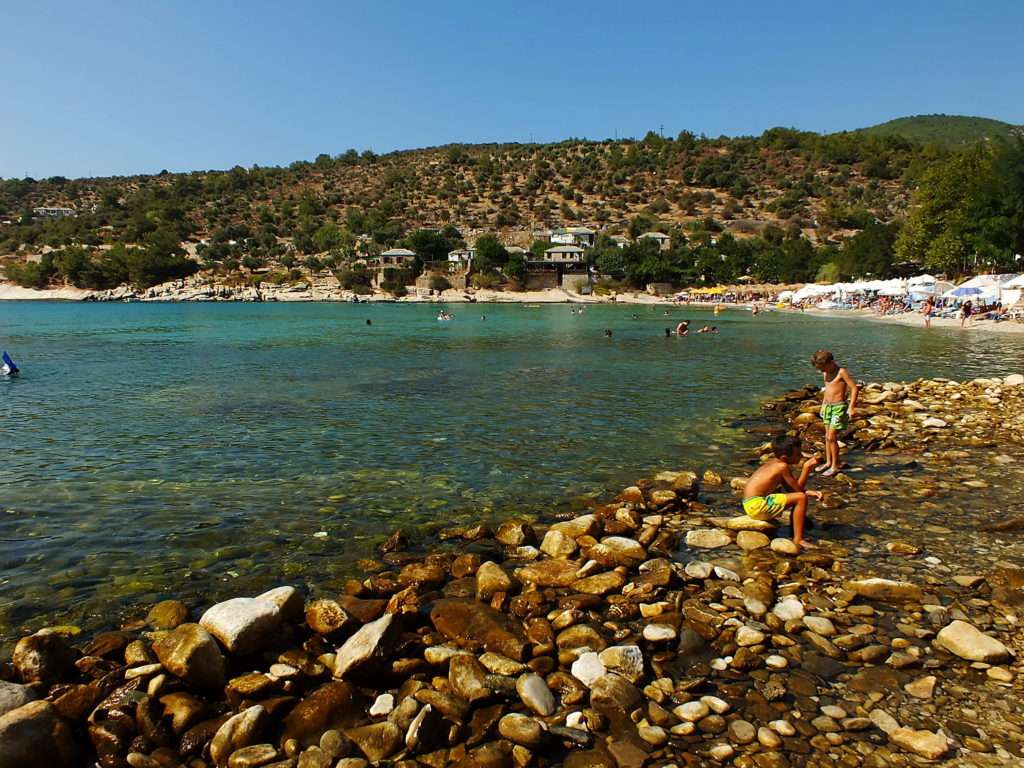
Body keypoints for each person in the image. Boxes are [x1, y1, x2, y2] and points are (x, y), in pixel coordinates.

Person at [742, 434, 822, 550]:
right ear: (785, 457)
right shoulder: (782, 467)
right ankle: (798, 539)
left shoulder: (772, 463)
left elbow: (791, 489)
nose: (801, 456)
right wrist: (806, 468)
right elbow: (798, 492)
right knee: (801, 498)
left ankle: (794, 531)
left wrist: (808, 491)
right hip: (758, 506)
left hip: (749, 504)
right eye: (798, 454)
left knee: (799, 496)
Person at [811, 349, 859, 478]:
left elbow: (854, 388)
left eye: (823, 367)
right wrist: (823, 405)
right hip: (828, 407)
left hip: (839, 407)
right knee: (827, 437)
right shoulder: (825, 373)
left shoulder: (841, 372)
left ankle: (835, 466)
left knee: (832, 437)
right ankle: (828, 462)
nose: (822, 371)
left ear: (831, 362)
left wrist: (851, 407)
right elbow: (828, 390)